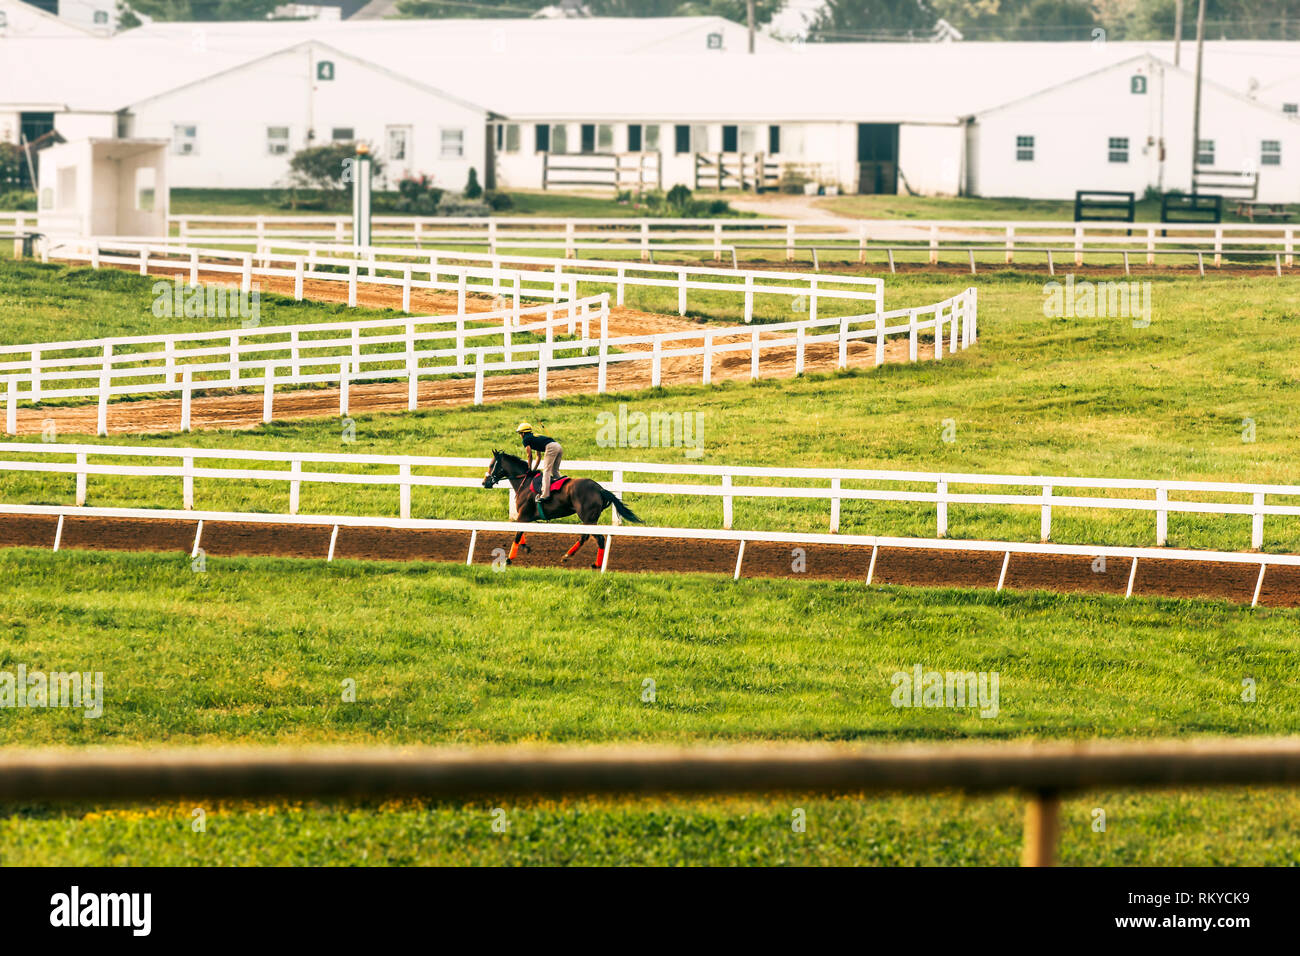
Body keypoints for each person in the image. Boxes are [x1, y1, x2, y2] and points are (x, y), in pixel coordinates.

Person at [516, 422, 563, 505]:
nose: (520, 435)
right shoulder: (534, 437)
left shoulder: (525, 439)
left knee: (546, 471)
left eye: (520, 433)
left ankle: (545, 495)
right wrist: (533, 469)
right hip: (558, 446)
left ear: (523, 433)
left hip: (551, 447)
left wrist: (529, 468)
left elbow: (529, 455)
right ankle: (562, 488)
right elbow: (538, 456)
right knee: (555, 470)